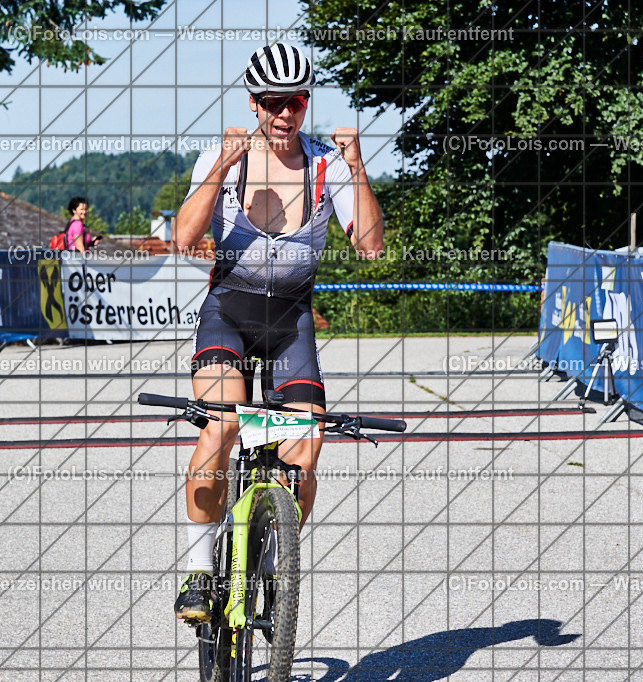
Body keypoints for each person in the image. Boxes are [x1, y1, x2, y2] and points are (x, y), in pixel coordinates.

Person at [172, 42, 385, 622]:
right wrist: (219, 166)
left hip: (291, 323)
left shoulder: (327, 163)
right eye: (272, 102)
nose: (284, 114)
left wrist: (359, 163)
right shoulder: (226, 159)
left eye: (294, 101)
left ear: (306, 101)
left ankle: (273, 562)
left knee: (306, 449)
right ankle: (197, 571)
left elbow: (370, 246)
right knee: (222, 425)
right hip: (229, 314)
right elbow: (183, 240)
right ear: (254, 102)